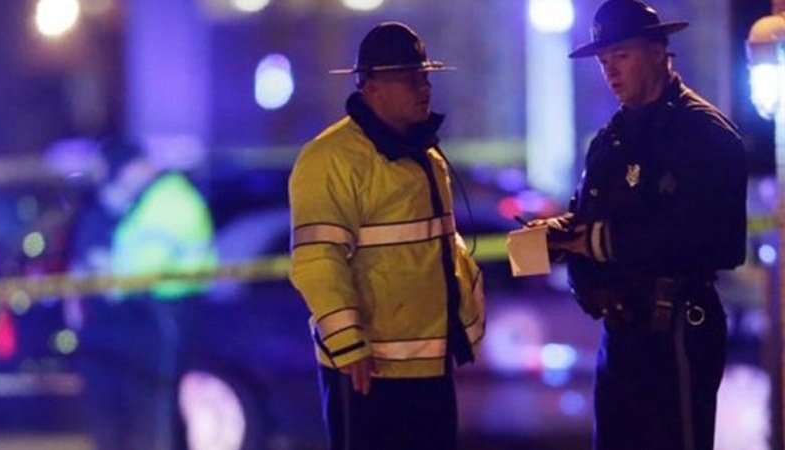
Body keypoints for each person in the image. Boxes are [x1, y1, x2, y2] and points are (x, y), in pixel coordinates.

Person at [532, 1, 748, 449]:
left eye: (621, 56)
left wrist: (599, 242)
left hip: (679, 329)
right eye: (603, 61)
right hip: (622, 333)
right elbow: (588, 217)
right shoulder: (611, 140)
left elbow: (713, 238)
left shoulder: (703, 133)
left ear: (657, 51)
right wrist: (585, 277)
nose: (610, 71)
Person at [288, 21, 485, 450]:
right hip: (368, 371)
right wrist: (348, 345)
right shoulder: (331, 158)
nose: (424, 87)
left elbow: (439, 249)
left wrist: (464, 326)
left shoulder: (425, 156)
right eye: (410, 78)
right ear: (371, 86)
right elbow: (317, 259)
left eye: (425, 76)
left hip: (429, 368)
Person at [67, 137, 217, 450]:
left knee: (153, 415)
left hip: (157, 316)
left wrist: (111, 279)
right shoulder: (132, 208)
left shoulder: (165, 202)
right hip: (129, 323)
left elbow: (139, 267)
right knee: (132, 416)